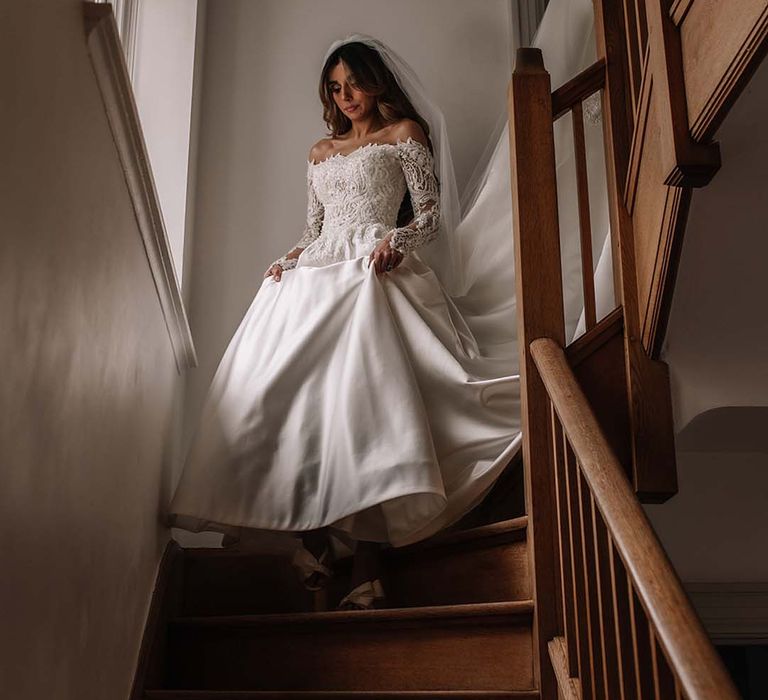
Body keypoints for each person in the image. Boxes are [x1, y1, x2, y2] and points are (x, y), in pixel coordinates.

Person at [168, 36, 522, 611]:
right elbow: (314, 230)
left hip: (372, 270)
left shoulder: (403, 136)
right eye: (335, 87)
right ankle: (316, 538)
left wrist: (396, 241)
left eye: (353, 82)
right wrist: (287, 259)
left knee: (359, 410)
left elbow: (430, 215)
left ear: (375, 80)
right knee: (279, 398)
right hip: (313, 274)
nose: (346, 95)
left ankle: (362, 557)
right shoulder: (318, 152)